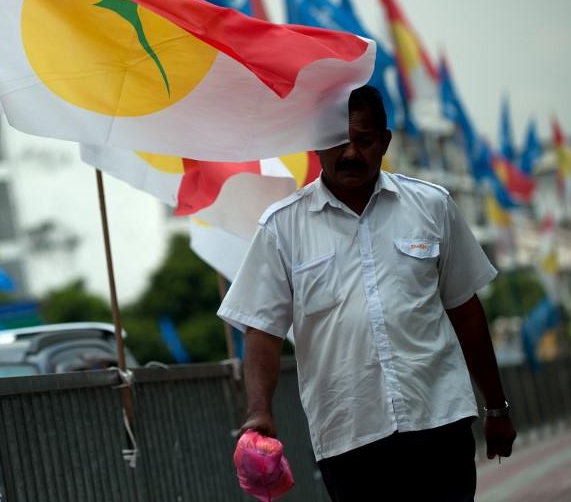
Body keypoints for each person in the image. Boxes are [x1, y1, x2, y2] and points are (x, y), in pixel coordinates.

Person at [218, 85, 516, 502]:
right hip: (349, 438)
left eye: (364, 139)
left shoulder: (432, 206)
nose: (350, 154)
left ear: (385, 142)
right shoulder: (281, 228)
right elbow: (263, 332)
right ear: (316, 147)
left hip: (439, 421)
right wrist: (259, 413)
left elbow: (466, 311)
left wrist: (497, 408)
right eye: (337, 141)